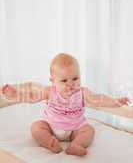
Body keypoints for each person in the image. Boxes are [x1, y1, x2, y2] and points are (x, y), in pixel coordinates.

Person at [2, 53, 130, 156]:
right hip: (51, 127)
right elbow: (31, 97)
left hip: (75, 128)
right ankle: (49, 142)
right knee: (36, 127)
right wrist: (15, 95)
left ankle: (76, 145)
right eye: (64, 80)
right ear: (53, 81)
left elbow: (99, 99)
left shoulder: (82, 92)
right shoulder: (49, 91)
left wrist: (115, 101)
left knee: (89, 130)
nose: (71, 84)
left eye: (75, 78)